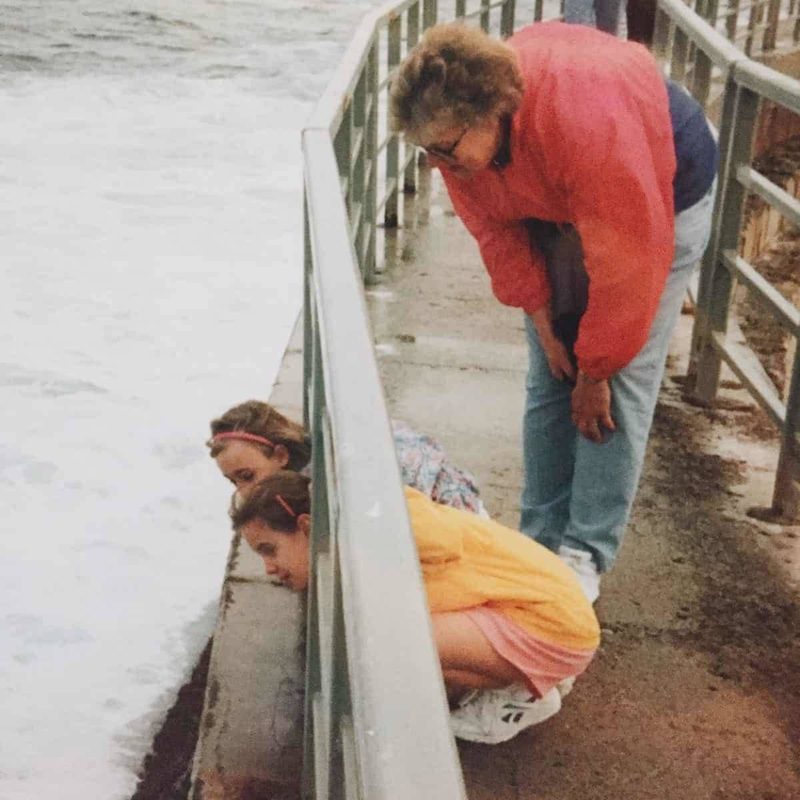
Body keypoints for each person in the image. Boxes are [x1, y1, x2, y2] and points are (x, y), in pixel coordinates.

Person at [389, 22, 719, 602]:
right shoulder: (461, 151)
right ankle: (539, 539)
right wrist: (544, 323)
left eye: (446, 148)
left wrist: (596, 371)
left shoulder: (584, 123)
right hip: (547, 188)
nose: (440, 163)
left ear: (492, 109)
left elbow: (626, 266)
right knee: (552, 368)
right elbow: (498, 234)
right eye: (428, 152)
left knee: (619, 376)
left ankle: (584, 552)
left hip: (661, 181)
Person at [231, 470, 600, 744]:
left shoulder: (377, 529)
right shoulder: (358, 532)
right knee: (392, 637)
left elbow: (440, 540)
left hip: (555, 626)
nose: (267, 568)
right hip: (554, 619)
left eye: (269, 549)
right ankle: (526, 683)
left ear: (307, 526)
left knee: (387, 640)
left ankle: (517, 694)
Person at [207, 400, 487, 514]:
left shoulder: (323, 483)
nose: (244, 491)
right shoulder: (326, 439)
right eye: (234, 482)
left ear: (280, 455)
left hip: (456, 517)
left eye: (247, 476)